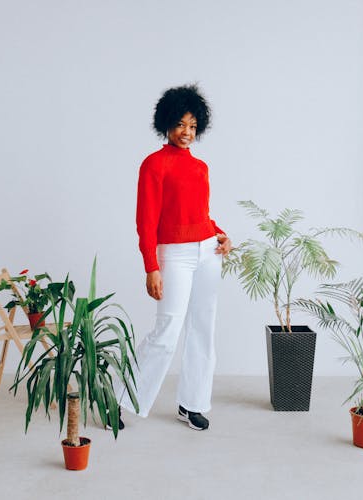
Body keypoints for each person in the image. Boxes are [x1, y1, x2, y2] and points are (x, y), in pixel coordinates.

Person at [117, 84, 231, 431]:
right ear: (166, 124)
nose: (187, 133)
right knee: (166, 333)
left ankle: (191, 404)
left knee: (202, 330)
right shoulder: (153, 165)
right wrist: (151, 267)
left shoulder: (200, 167)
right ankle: (120, 399)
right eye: (181, 124)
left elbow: (200, 214)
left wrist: (220, 233)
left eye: (193, 126)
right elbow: (146, 222)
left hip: (208, 252)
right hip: (174, 256)